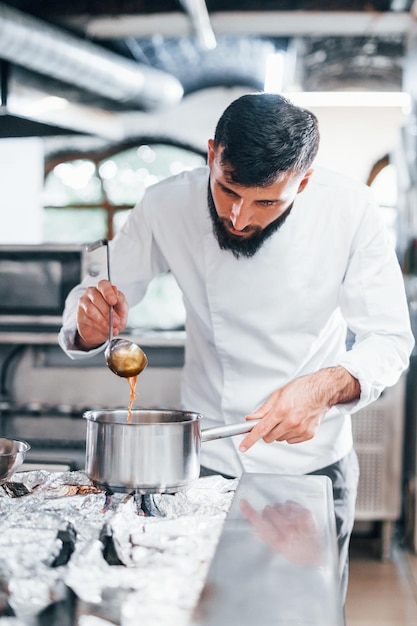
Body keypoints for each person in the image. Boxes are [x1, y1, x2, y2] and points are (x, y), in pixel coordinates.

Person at [59, 93, 414, 603]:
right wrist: (91, 324)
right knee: (203, 605)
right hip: (204, 460)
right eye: (227, 190)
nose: (241, 217)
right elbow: (99, 290)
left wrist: (324, 386)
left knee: (303, 609)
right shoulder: (165, 204)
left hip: (311, 463)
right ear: (212, 155)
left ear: (304, 182)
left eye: (266, 202)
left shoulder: (351, 210)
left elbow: (389, 339)